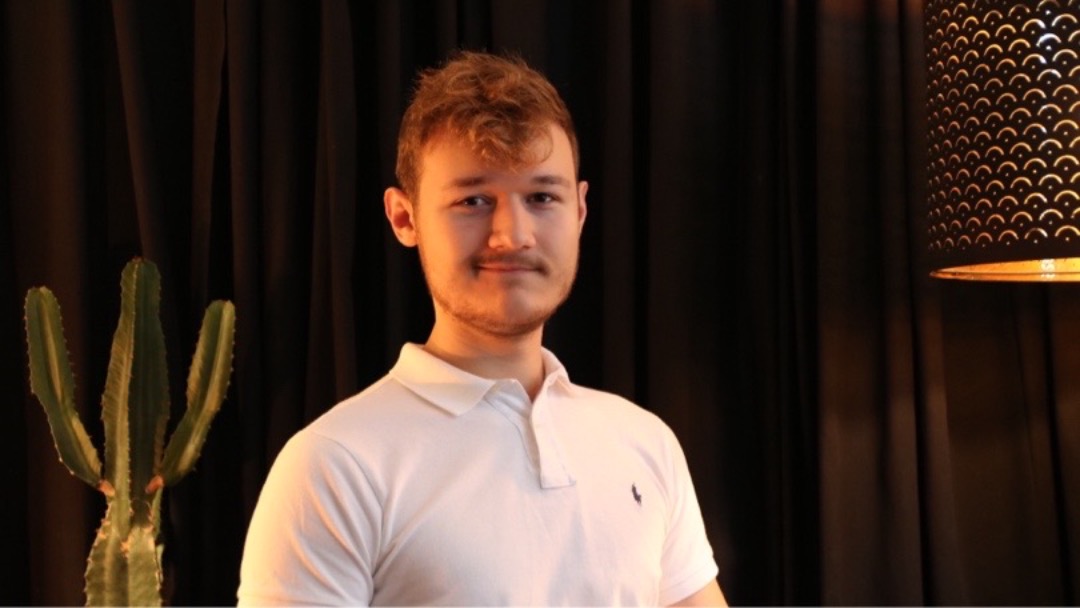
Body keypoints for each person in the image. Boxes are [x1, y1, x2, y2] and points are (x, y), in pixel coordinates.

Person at [237, 50, 727, 607]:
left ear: (580, 211)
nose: (512, 235)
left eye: (542, 197)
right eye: (473, 200)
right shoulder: (334, 465)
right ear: (404, 217)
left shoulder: (645, 442)